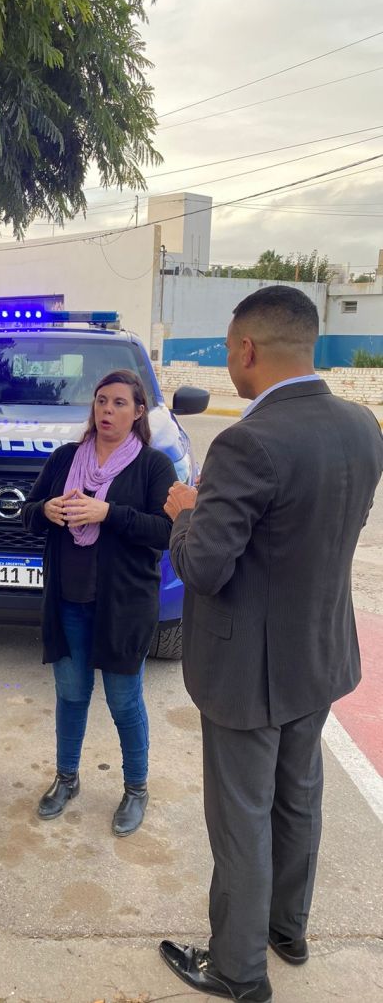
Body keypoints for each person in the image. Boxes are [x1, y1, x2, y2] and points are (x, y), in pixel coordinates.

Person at [160, 285, 383, 1003]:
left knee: (242, 819)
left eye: (230, 350)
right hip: (318, 653)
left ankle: (238, 968)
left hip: (248, 670)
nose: (229, 362)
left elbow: (203, 568)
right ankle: (288, 930)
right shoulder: (361, 424)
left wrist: (185, 512)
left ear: (248, 349)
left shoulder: (246, 443)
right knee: (298, 797)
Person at [22, 370, 177, 834]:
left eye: (119, 403)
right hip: (68, 601)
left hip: (123, 606)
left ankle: (136, 788)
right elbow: (28, 514)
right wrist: (46, 510)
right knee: (71, 695)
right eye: (101, 400)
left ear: (138, 411)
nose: (107, 410)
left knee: (124, 701)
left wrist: (108, 513)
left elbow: (166, 532)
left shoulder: (153, 466)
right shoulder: (65, 458)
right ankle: (66, 778)